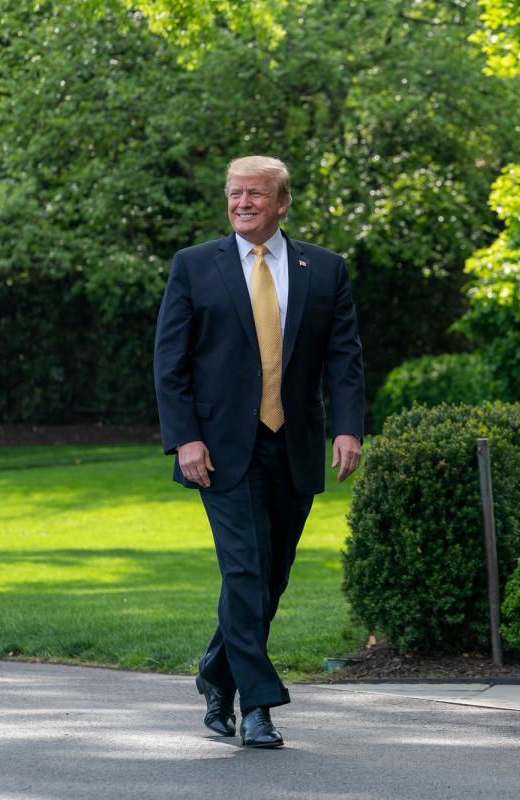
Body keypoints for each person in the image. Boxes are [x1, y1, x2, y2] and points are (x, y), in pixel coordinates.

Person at [153, 155, 365, 748]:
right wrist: (185, 438)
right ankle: (259, 706)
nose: (242, 202)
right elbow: (170, 365)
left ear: (281, 203)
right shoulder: (194, 266)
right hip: (218, 450)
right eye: (234, 193)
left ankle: (215, 672)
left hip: (292, 446)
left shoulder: (324, 268)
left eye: (255, 194)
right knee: (244, 570)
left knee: (270, 579)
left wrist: (347, 428)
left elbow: (343, 357)